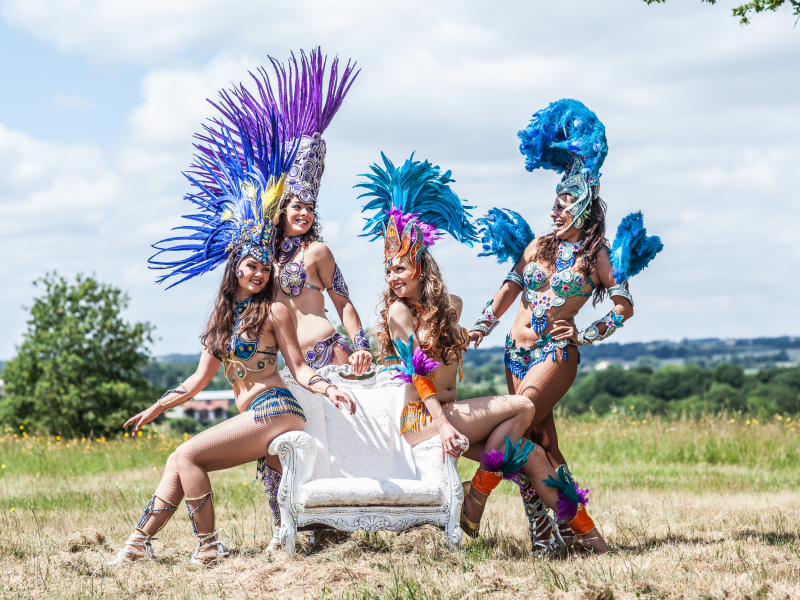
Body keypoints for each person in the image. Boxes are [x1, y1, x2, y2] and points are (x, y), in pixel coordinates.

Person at [109, 105, 356, 566]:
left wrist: (329, 388)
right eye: (252, 266)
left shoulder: (275, 311)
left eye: (265, 267)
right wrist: (157, 407)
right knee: (178, 460)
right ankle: (137, 543)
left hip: (277, 409)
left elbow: (300, 368)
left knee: (187, 454)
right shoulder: (221, 319)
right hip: (256, 414)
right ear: (235, 269)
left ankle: (207, 546)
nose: (260, 273)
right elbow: (197, 381)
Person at [360, 153, 609, 555]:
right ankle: (475, 498)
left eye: (400, 268)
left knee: (532, 454)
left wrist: (477, 328)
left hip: (452, 415)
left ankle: (593, 542)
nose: (393, 277)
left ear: (421, 267)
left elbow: (475, 307)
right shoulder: (398, 314)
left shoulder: (450, 308)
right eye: (388, 270)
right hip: (423, 418)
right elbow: (416, 374)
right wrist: (443, 426)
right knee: (523, 408)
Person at [193, 48, 372, 544]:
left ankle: (335, 525)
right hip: (280, 364)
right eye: (295, 205)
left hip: (326, 355)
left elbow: (344, 303)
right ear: (282, 206)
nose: (303, 213)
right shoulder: (260, 254)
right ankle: (285, 524)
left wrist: (361, 346)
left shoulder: (318, 251)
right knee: (277, 446)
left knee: (334, 442)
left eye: (310, 207)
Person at [468, 99, 662, 553]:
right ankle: (562, 536)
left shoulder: (597, 255)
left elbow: (624, 306)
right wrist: (481, 326)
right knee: (539, 444)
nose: (554, 213)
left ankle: (475, 495)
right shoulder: (539, 245)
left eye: (563, 206)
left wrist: (586, 333)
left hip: (554, 355)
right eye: (553, 205)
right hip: (514, 354)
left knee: (516, 421)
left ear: (583, 209)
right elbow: (510, 287)